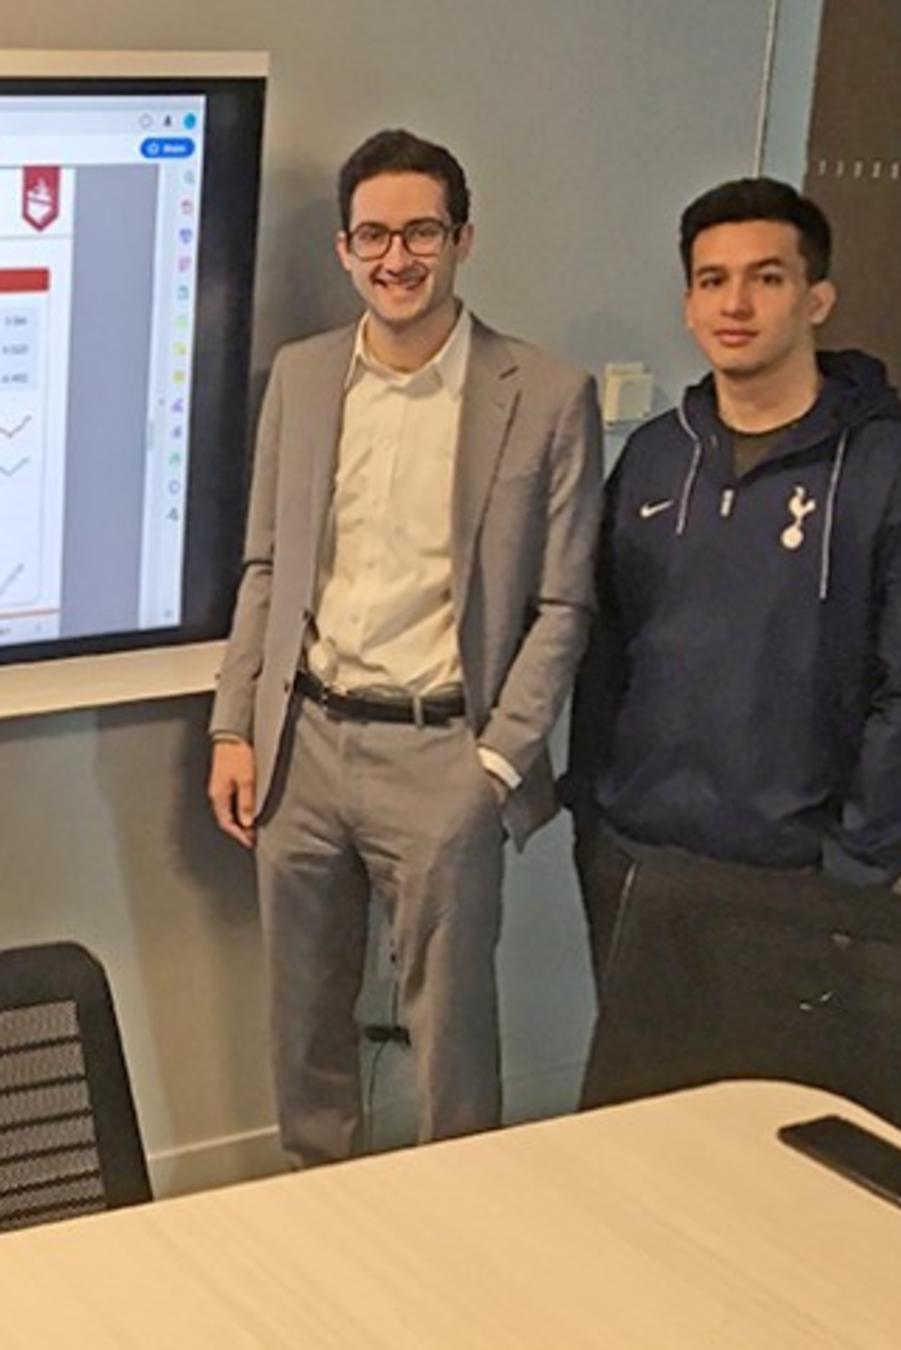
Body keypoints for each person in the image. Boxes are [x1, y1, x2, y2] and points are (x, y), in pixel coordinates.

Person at [206, 130, 602, 1167]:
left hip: (446, 754)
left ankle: (461, 1216)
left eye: (421, 232)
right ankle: (317, 1198)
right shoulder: (302, 378)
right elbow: (264, 567)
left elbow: (564, 605)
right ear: (344, 249)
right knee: (303, 1026)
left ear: (462, 239)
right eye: (374, 236)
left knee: (450, 1038)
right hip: (302, 747)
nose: (397, 257)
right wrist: (234, 728)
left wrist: (496, 763)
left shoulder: (545, 394)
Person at [568, 178, 901, 970]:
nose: (736, 304)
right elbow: (605, 647)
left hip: (795, 880)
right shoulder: (656, 457)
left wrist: (854, 879)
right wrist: (593, 815)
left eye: (767, 277)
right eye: (712, 280)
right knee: (636, 1057)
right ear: (688, 306)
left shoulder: (897, 480)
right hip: (635, 860)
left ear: (817, 299)